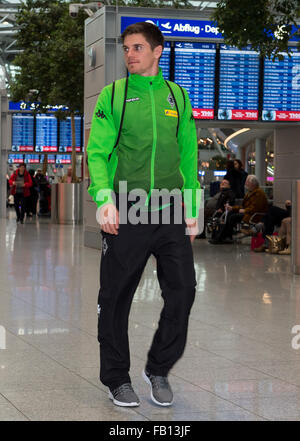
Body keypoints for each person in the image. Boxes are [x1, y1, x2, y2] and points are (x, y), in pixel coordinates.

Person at [87, 22, 200, 408]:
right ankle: (117, 379)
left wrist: (192, 206)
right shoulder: (114, 96)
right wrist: (104, 198)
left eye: (137, 48)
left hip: (170, 208)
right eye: (126, 48)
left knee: (183, 290)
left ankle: (158, 369)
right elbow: (97, 153)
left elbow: (188, 155)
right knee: (116, 297)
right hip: (126, 207)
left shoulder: (178, 98)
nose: (130, 55)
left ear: (157, 51)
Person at [209, 175, 268, 244]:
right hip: (248, 213)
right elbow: (243, 206)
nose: (245, 184)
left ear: (253, 184)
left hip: (253, 215)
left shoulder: (259, 194)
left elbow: (255, 208)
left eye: (247, 182)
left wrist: (243, 210)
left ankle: (225, 237)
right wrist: (232, 208)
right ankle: (223, 237)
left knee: (232, 217)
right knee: (230, 214)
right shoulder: (250, 193)